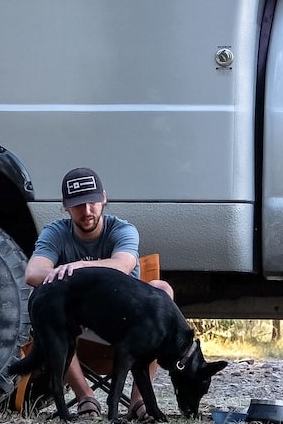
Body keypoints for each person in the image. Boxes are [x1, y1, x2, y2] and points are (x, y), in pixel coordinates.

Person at [26, 167, 175, 420]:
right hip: (76, 326)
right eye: (78, 205)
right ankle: (86, 398)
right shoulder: (56, 233)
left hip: (124, 326)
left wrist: (80, 266)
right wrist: (65, 271)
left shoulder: (122, 230)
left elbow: (123, 265)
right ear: (65, 207)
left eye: (92, 202)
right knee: (44, 304)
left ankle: (140, 403)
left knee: (162, 289)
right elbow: (33, 273)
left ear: (104, 198)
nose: (87, 211)